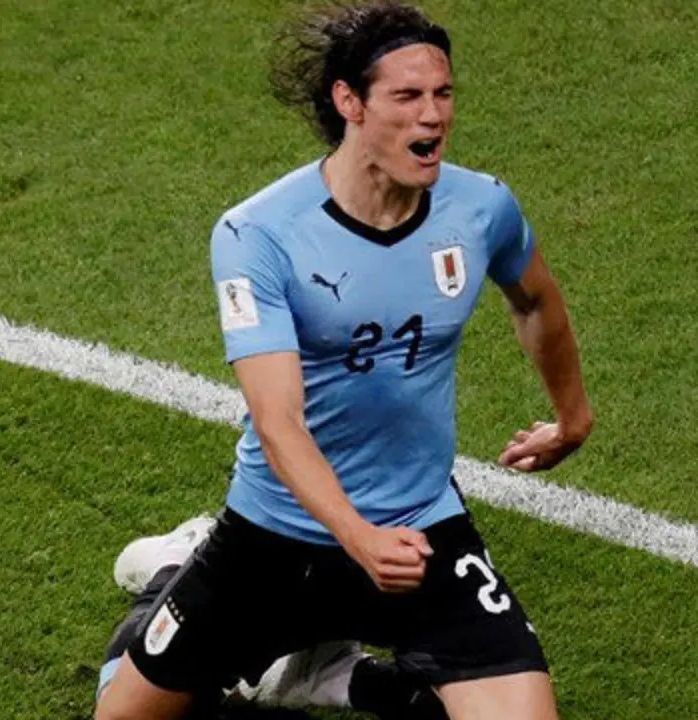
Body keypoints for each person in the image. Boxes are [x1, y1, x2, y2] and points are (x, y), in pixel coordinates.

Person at [94, 3, 593, 719]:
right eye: (407, 96)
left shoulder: (481, 208)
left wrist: (572, 419)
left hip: (419, 526)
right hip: (275, 534)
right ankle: (173, 575)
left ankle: (314, 667)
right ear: (349, 102)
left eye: (443, 93)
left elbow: (535, 299)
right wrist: (358, 539)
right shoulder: (259, 234)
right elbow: (278, 421)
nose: (433, 116)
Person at [99, 515, 450, 719]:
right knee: (135, 705)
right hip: (281, 557)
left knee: (472, 691)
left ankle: (329, 672)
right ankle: (173, 568)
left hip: (398, 553)